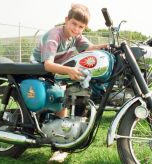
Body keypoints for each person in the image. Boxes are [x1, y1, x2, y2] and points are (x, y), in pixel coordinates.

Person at [30, 3, 108, 163]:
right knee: (59, 97)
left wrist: (108, 47)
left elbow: (90, 48)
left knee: (71, 92)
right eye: (74, 24)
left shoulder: (76, 37)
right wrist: (68, 70)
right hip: (38, 68)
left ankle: (63, 134)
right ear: (66, 20)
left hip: (55, 70)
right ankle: (61, 142)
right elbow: (47, 65)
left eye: (81, 26)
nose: (76, 29)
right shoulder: (55, 35)